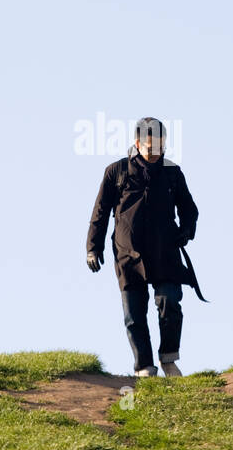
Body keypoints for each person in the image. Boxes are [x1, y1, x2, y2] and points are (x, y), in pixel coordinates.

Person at [86, 117, 204, 378]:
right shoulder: (116, 172)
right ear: (137, 143)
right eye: (150, 147)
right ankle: (144, 367)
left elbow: (189, 209)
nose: (155, 153)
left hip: (165, 252)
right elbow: (100, 213)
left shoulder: (173, 172)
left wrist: (186, 231)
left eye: (161, 147)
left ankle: (169, 359)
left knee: (169, 302)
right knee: (133, 315)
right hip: (128, 253)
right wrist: (93, 248)